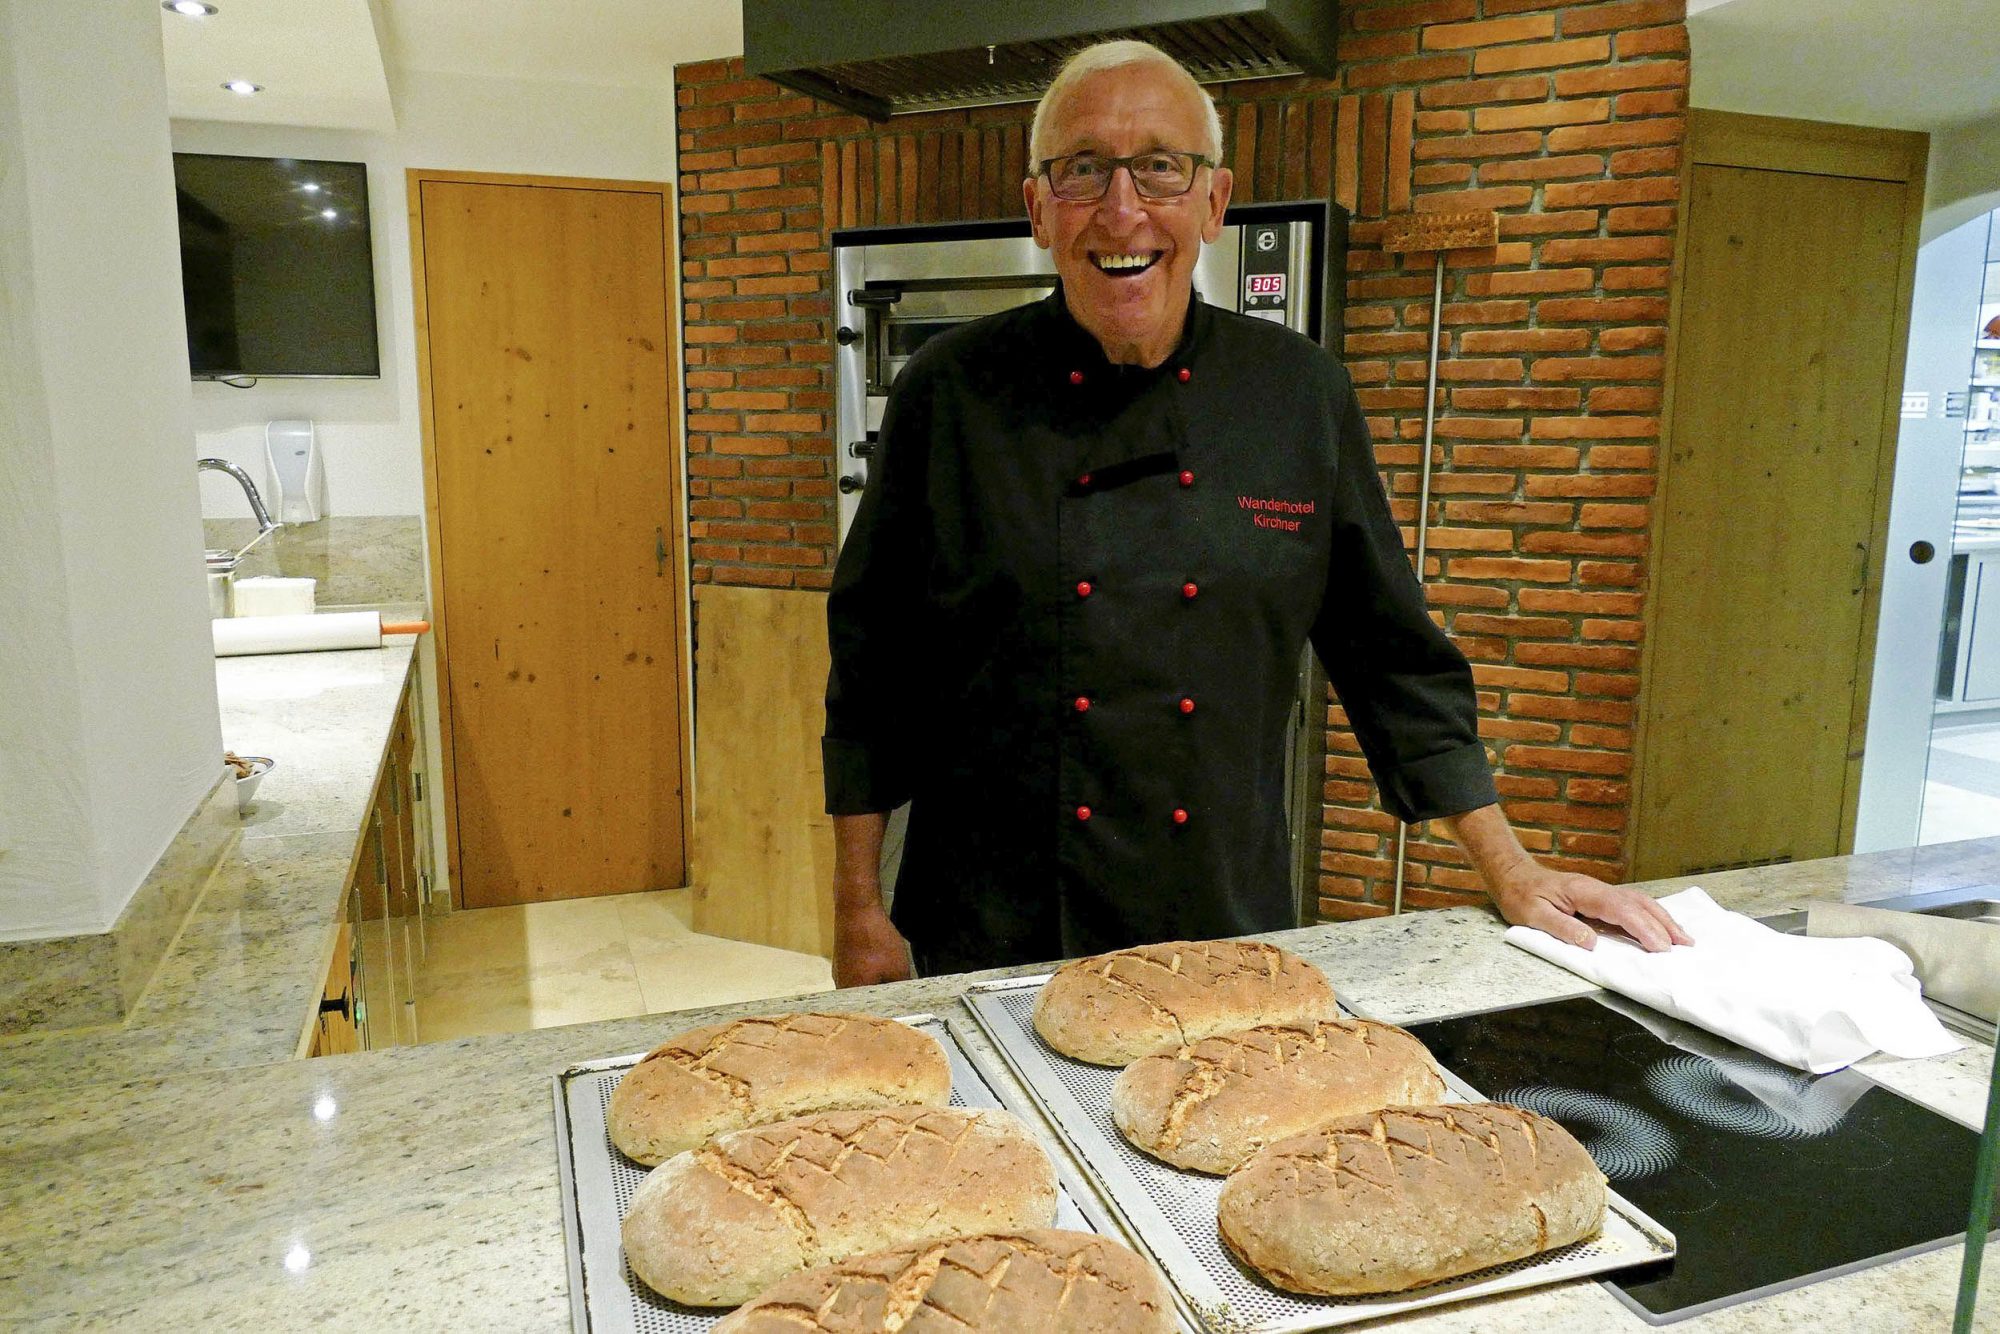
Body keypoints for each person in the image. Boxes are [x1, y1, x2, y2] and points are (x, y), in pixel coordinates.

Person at [822, 40, 1690, 987]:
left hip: (1219, 915)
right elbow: (874, 670)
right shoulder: (947, 393)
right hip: (986, 923)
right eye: (1082, 171)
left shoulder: (1297, 394)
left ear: (1214, 202)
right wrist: (858, 911)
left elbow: (1389, 652)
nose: (1123, 210)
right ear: (1038, 208)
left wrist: (1513, 870)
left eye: (1160, 167)